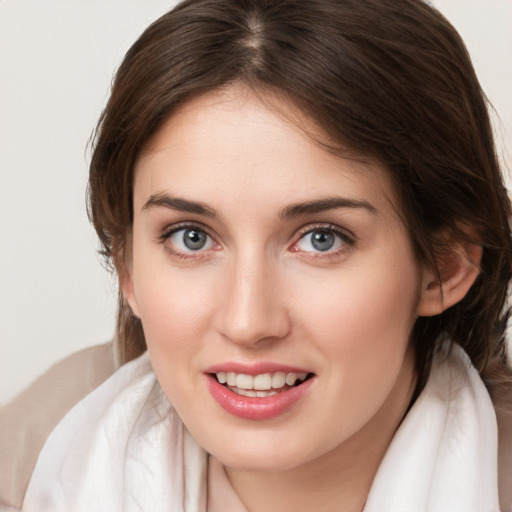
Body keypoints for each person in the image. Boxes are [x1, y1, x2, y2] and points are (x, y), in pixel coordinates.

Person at [13, 0, 512, 510]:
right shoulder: (27, 472)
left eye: (322, 239)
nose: (248, 322)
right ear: (127, 268)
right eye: (191, 237)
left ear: (445, 265)